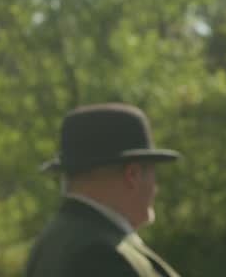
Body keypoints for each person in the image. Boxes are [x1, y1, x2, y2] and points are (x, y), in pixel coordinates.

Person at [25, 103, 182, 277]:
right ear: (133, 175)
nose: (155, 189)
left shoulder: (50, 243)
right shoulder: (101, 254)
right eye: (153, 174)